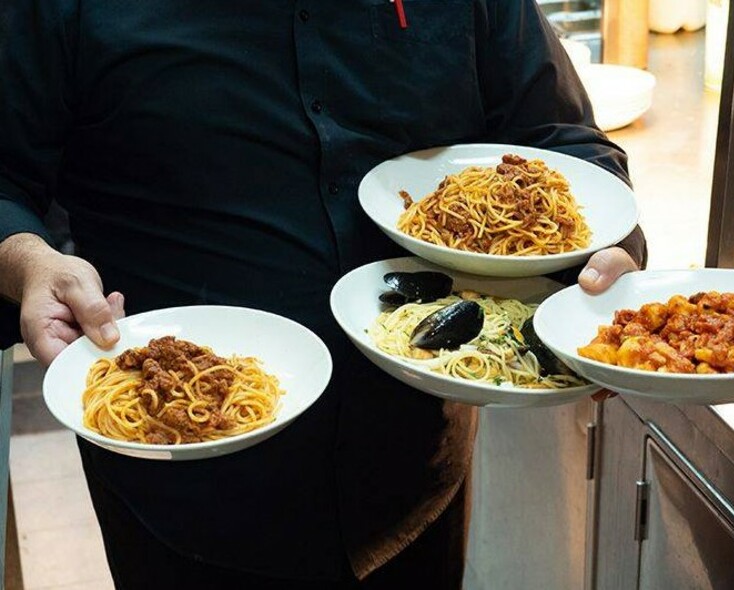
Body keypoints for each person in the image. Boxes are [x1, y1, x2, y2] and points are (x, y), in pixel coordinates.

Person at [0, 1, 646, 588]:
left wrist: (606, 264)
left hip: (413, 466)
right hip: (182, 477)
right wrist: (26, 259)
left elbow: (557, 140)